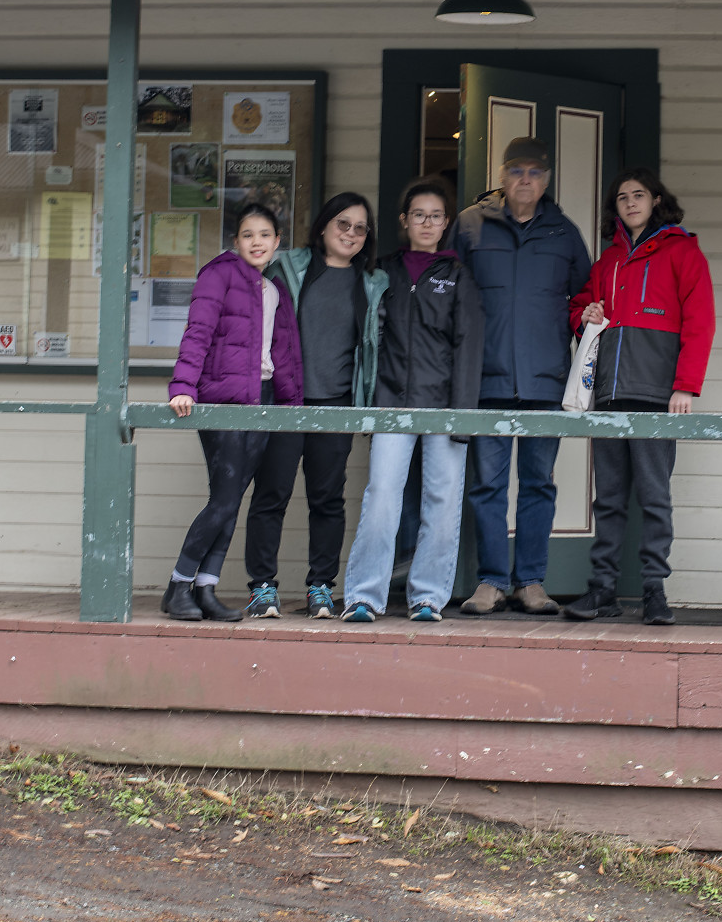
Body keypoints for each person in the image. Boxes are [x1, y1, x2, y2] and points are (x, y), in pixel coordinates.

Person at [565, 169, 715, 625]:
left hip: (655, 396)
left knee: (654, 497)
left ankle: (654, 590)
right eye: (622, 197)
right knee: (608, 499)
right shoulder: (607, 261)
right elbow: (579, 308)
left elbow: (701, 322)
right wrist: (586, 314)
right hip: (608, 395)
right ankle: (602, 589)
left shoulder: (683, 251)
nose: (631, 203)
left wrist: (685, 386)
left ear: (656, 201)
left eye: (639, 195)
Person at [450, 136, 591, 616]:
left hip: (544, 383)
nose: (525, 179)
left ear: (546, 180)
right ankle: (491, 580)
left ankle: (530, 581)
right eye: (516, 170)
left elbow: (582, 301)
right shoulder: (470, 225)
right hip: (486, 381)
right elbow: (448, 295)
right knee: (487, 487)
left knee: (538, 484)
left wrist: (585, 321)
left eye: (534, 172)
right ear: (502, 175)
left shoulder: (564, 233)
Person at [340, 177, 484, 624]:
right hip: (390, 401)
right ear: (404, 220)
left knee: (442, 500)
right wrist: (367, 404)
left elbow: (469, 347)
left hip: (444, 405)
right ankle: (364, 596)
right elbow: (367, 340)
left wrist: (462, 416)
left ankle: (428, 597)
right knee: (382, 495)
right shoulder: (383, 272)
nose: (427, 222)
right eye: (418, 214)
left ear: (446, 223)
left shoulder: (458, 276)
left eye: (435, 216)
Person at [245, 193, 388, 619]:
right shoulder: (287, 269)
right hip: (286, 399)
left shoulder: (372, 282)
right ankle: (262, 587)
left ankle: (321, 586)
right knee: (271, 494)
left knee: (327, 499)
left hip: (337, 403)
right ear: (324, 226)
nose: (350, 233)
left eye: (360, 227)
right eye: (343, 223)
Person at [162, 202, 303, 622]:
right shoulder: (218, 274)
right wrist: (183, 386)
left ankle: (205, 588)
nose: (257, 242)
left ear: (277, 241)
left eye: (265, 235)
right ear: (236, 241)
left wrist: (290, 405)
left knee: (232, 499)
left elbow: (283, 355)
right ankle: (178, 586)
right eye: (247, 235)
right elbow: (198, 332)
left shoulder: (275, 290)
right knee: (223, 499)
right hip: (222, 400)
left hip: (263, 401)